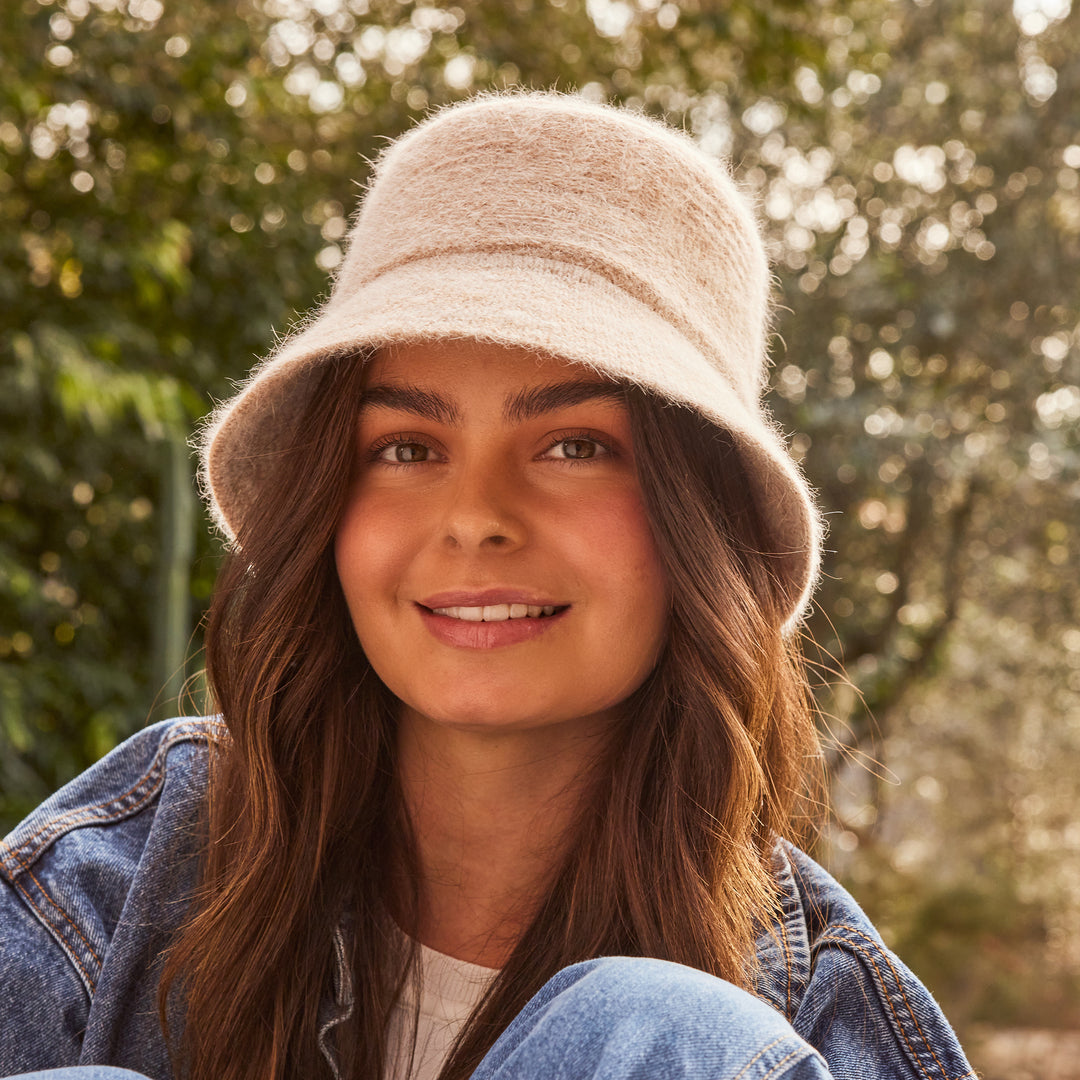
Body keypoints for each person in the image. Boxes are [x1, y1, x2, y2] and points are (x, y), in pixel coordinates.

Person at [0, 92, 975, 1080]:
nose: (475, 516)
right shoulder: (131, 867)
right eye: (408, 445)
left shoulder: (807, 1001)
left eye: (573, 444)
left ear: (702, 520)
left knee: (667, 1032)